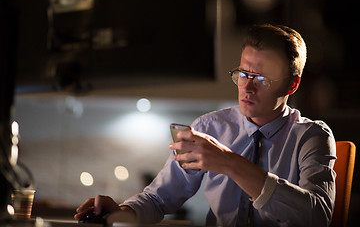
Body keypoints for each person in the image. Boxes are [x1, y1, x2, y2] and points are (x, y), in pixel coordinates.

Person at [74, 24, 336, 226]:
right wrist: (122, 212)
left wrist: (230, 162)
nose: (247, 87)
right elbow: (157, 198)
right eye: (243, 74)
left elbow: (317, 217)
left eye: (262, 79)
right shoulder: (210, 127)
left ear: (292, 84)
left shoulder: (312, 136)